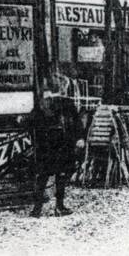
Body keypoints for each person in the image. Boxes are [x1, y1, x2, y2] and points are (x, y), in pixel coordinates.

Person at [30, 76, 84, 217]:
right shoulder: (67, 103)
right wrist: (79, 138)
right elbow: (76, 123)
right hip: (62, 145)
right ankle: (59, 207)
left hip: (45, 147)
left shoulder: (42, 104)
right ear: (63, 88)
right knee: (60, 176)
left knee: (42, 177)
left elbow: (31, 122)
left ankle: (37, 210)